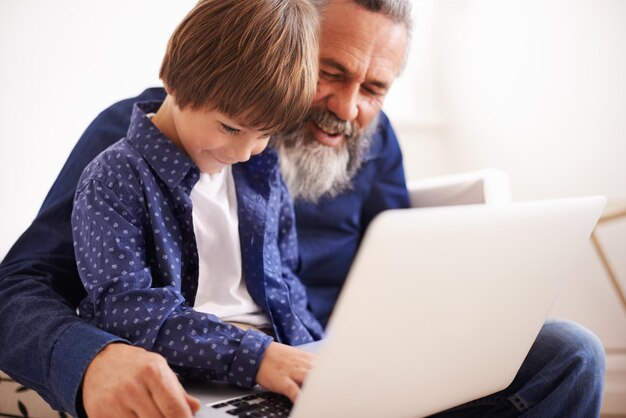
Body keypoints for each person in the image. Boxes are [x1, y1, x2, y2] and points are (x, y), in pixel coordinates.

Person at [0, 1, 605, 418]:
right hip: (224, 371)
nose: (346, 108)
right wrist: (90, 358)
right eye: (329, 72)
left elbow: (414, 279)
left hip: (341, 370)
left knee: (569, 352)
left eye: (373, 89)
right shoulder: (130, 146)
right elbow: (17, 289)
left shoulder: (371, 143)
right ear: (276, 46)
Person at [70, 0, 324, 405]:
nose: (245, 152)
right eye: (231, 127)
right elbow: (127, 311)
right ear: (174, 79)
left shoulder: (261, 170)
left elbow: (286, 284)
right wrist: (256, 357)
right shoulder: (115, 177)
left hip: (279, 359)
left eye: (264, 134)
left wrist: (319, 351)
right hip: (191, 378)